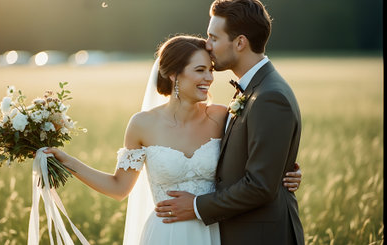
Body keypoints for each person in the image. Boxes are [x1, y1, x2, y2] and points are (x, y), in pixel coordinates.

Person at [44, 34, 302, 245]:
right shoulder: (142, 124)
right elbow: (118, 187)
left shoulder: (223, 116)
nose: (209, 78)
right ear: (174, 75)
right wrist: (68, 162)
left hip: (215, 233)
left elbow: (259, 159)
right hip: (165, 234)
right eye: (200, 70)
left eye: (210, 70)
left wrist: (286, 173)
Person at [155, 0, 305, 244]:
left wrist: (195, 206)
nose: (207, 45)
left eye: (214, 37)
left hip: (260, 236)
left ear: (240, 43)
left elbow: (260, 186)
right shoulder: (254, 89)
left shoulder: (269, 97)